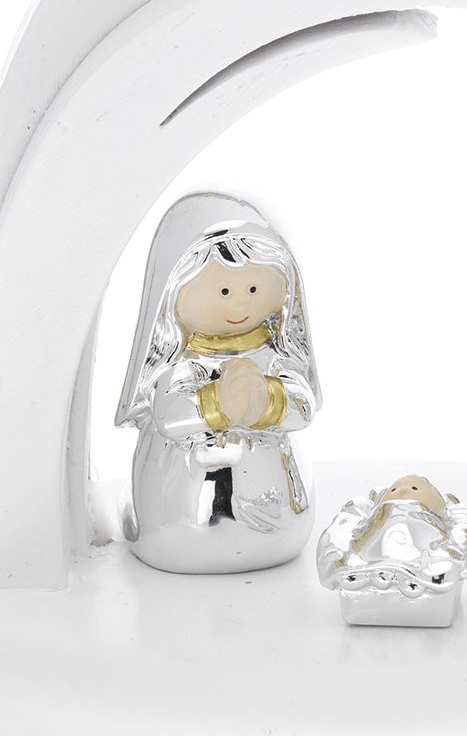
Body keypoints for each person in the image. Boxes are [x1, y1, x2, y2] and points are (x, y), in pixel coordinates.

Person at [116, 193, 319, 573]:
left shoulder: (273, 357)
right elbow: (169, 417)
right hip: (179, 518)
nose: (239, 306)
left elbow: (304, 407)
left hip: (274, 509)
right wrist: (216, 404)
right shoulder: (181, 362)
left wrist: (268, 399)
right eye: (224, 291)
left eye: (254, 290)